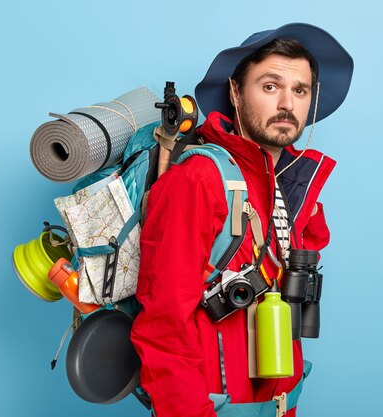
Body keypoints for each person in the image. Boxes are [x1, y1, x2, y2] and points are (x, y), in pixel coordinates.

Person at [131, 23, 354, 417]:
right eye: (270, 86)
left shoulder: (290, 185)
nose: (287, 103)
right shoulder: (197, 181)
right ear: (235, 92)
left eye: (299, 90)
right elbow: (162, 328)